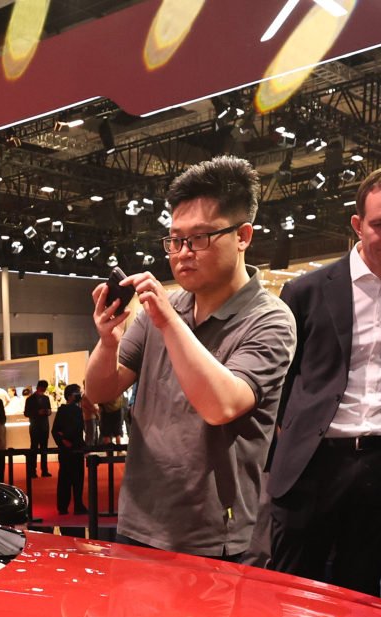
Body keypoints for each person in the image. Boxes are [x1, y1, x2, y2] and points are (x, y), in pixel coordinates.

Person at [84, 154, 297, 559]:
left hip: (215, 536)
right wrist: (108, 340)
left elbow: (221, 405)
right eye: (175, 239)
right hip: (139, 520)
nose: (182, 252)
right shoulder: (161, 311)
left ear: (243, 235)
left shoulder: (270, 320)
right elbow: (99, 390)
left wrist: (167, 320)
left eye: (199, 238)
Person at [265, 163, 381, 594]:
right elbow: (281, 381)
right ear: (357, 224)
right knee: (289, 594)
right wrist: (281, 451)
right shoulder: (306, 291)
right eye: (378, 224)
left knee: (361, 596)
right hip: (310, 466)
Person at [52, 383, 86, 514]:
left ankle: (64, 506)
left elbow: (55, 431)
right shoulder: (74, 410)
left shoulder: (65, 410)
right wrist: (65, 440)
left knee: (66, 479)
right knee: (74, 479)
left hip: (70, 449)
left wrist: (62, 440)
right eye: (77, 392)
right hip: (73, 449)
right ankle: (75, 505)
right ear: (71, 395)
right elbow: (58, 431)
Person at [25, 380, 53, 476]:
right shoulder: (30, 399)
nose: (43, 390)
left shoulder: (46, 398)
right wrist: (37, 412)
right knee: (34, 448)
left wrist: (48, 412)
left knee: (44, 449)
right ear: (38, 387)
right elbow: (26, 413)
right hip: (35, 426)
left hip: (44, 426)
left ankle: (44, 470)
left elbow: (49, 410)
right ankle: (32, 471)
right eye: (42, 388)